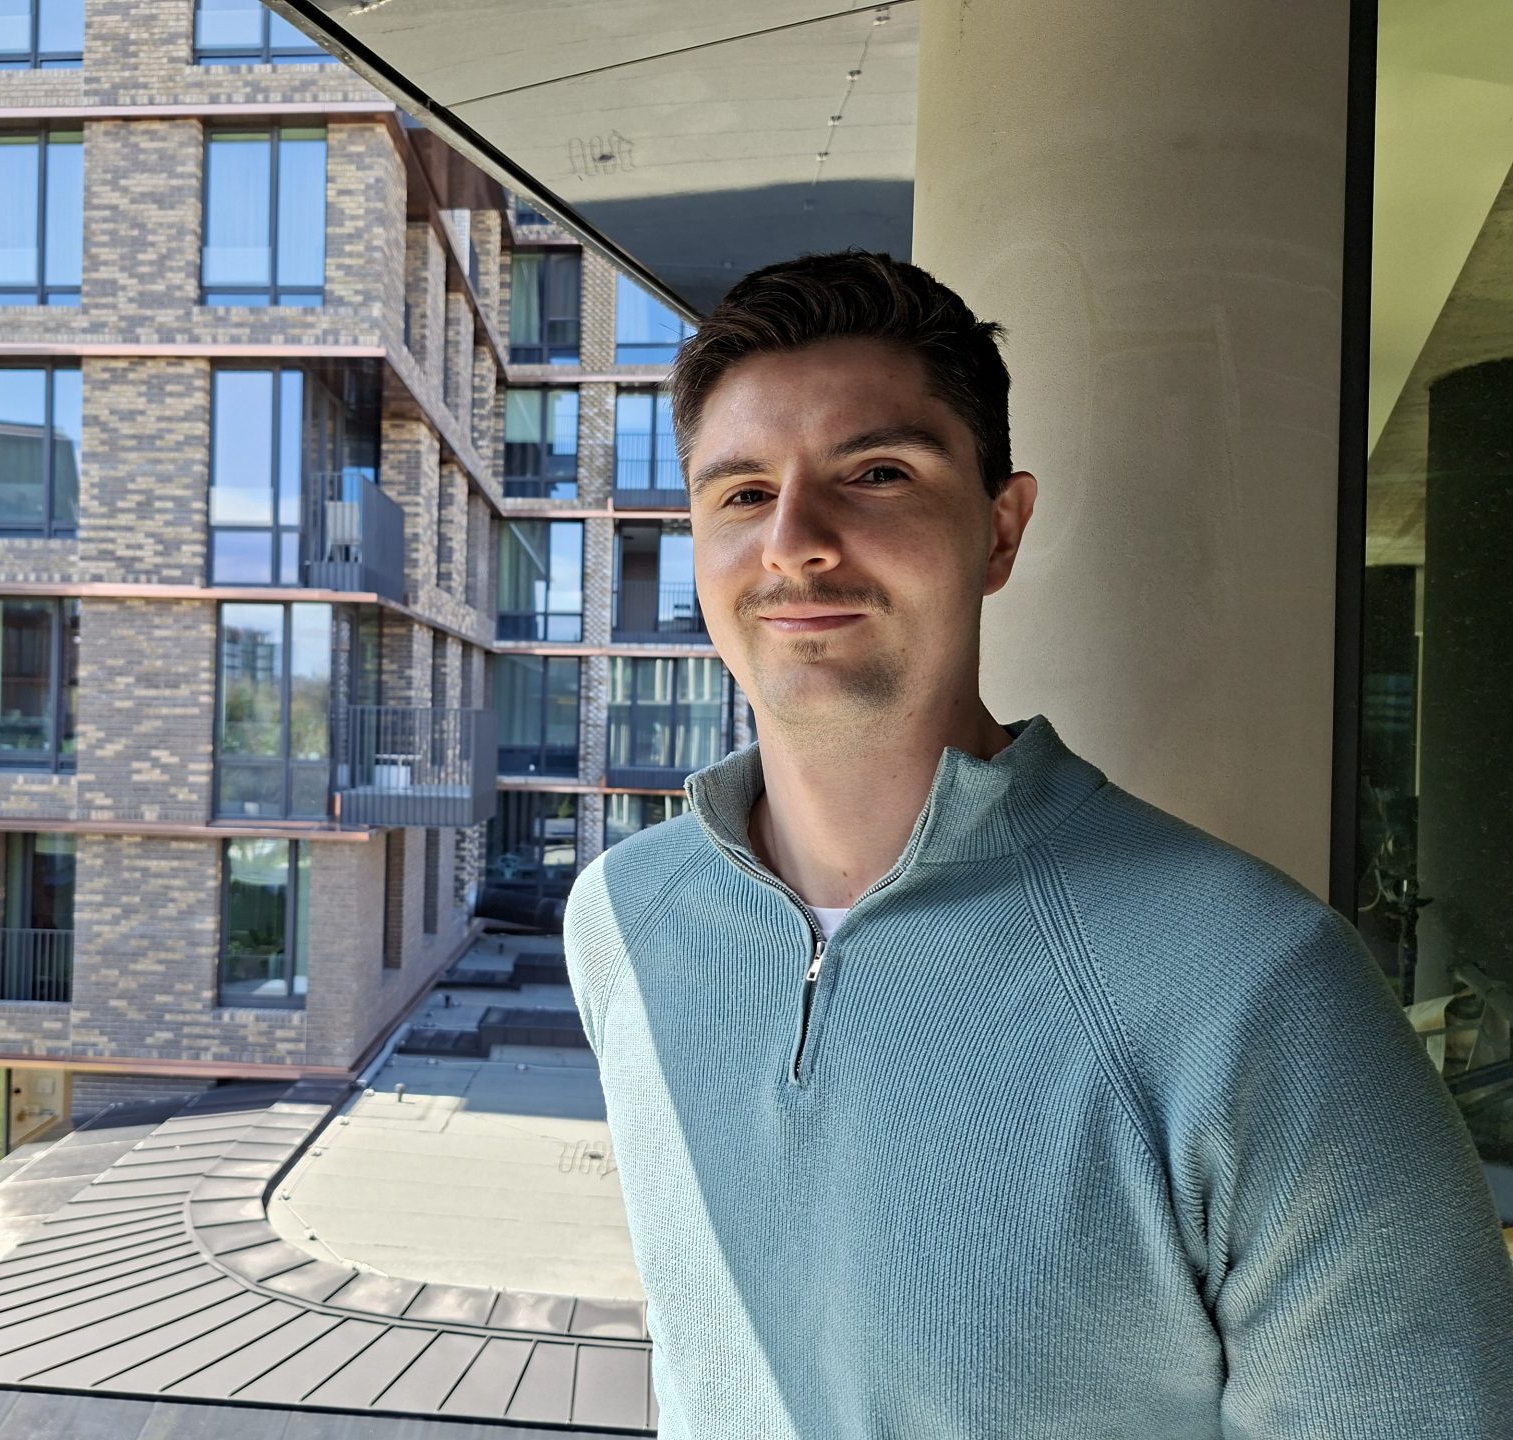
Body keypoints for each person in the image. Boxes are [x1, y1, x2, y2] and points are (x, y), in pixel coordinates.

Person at [562, 248, 1513, 1438]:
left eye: (876, 473)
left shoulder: (1260, 985)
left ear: (1001, 530)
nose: (794, 541)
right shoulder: (622, 918)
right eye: (742, 493)